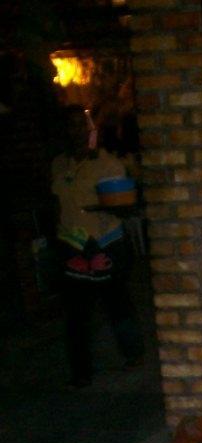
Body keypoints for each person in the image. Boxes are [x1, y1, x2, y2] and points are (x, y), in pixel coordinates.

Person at [51, 105, 143, 387]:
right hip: (71, 244)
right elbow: (56, 204)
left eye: (82, 125)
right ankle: (81, 372)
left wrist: (103, 207)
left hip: (104, 242)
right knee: (76, 314)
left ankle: (133, 355)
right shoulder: (58, 165)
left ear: (92, 129)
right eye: (70, 125)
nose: (76, 131)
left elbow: (126, 207)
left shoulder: (108, 165)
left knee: (117, 305)